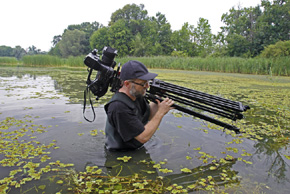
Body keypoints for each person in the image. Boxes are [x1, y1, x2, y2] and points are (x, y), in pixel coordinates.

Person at [104, 60, 174, 151]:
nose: (147, 86)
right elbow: (143, 137)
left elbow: (148, 115)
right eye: (143, 83)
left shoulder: (136, 94)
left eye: (147, 82)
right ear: (127, 84)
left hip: (135, 149)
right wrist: (160, 113)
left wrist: (159, 98)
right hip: (120, 155)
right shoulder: (118, 107)